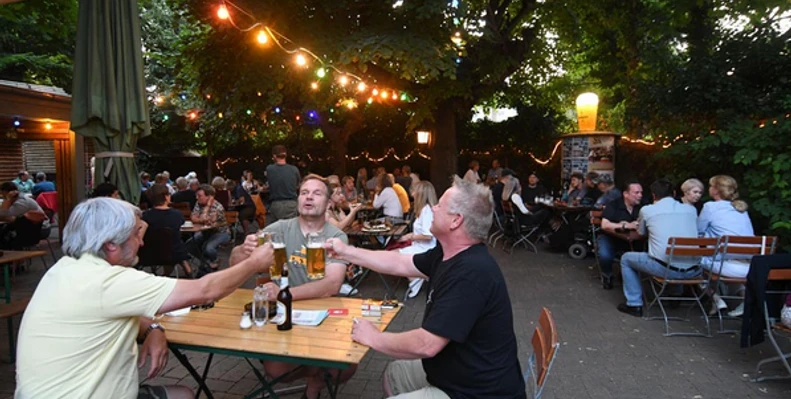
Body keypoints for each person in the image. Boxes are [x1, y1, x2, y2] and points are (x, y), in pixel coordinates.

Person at [15, 197, 274, 398]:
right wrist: (253, 264)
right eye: (136, 234)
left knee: (183, 395)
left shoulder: (65, 270)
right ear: (111, 245)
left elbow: (108, 309)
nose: (142, 243)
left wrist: (152, 327)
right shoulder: (107, 281)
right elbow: (205, 291)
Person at [325, 176, 526, 398]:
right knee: (396, 373)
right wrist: (346, 252)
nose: (434, 208)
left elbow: (426, 344)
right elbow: (400, 262)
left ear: (456, 221)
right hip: (454, 372)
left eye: (440, 204)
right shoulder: (448, 253)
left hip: (478, 392)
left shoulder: (471, 273)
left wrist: (374, 338)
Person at [229, 175, 353, 399]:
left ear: (327, 203)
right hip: (283, 316)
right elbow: (235, 265)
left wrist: (283, 293)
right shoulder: (279, 229)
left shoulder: (336, 236)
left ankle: (313, 385)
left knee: (345, 367)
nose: (309, 197)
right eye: (304, 192)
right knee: (276, 370)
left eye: (317, 193)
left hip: (324, 315)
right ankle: (316, 373)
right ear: (297, 199)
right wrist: (242, 249)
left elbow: (332, 285)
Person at [618, 179, 698, 317]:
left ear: (653, 195)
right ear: (674, 193)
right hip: (694, 270)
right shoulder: (691, 210)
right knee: (677, 253)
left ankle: (634, 303)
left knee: (626, 258)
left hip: (665, 269)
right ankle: (674, 297)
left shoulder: (648, 210)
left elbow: (641, 233)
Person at [698, 175, 754, 316]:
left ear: (716, 190)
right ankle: (745, 299)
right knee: (725, 260)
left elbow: (698, 232)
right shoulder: (741, 209)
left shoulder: (710, 207)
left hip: (725, 264)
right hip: (748, 265)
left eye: (711, 186)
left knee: (692, 263)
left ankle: (716, 299)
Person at [598, 180, 643, 290]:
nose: (640, 195)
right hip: (610, 237)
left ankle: (626, 275)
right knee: (605, 255)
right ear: (625, 194)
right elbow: (604, 225)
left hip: (634, 239)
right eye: (636, 193)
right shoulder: (613, 205)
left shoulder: (643, 206)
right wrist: (625, 226)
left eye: (641, 192)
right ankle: (607, 275)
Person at [142, 184, 193, 276]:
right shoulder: (177, 215)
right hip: (174, 254)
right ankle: (189, 273)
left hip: (150, 254)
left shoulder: (145, 216)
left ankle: (165, 275)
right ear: (166, 197)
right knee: (176, 244)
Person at [400, 181, 438, 298]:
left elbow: (428, 236)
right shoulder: (425, 210)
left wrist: (410, 236)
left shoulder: (426, 211)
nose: (412, 193)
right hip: (420, 246)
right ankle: (416, 276)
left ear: (421, 194)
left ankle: (416, 277)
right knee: (395, 254)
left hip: (425, 249)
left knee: (397, 257)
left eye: (415, 190)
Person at [188, 184, 231, 270]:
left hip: (221, 232)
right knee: (189, 245)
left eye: (200, 196)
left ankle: (215, 260)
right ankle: (206, 262)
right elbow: (193, 218)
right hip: (206, 232)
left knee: (208, 248)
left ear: (209, 197)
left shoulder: (218, 207)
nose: (197, 198)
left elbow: (205, 219)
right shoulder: (198, 203)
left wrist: (207, 207)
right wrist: (201, 219)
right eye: (196, 195)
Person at [266, 144, 301, 224]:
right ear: (286, 155)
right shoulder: (294, 169)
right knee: (291, 229)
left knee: (275, 230)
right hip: (291, 204)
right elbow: (298, 185)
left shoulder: (270, 169)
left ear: (274, 156)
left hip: (276, 204)